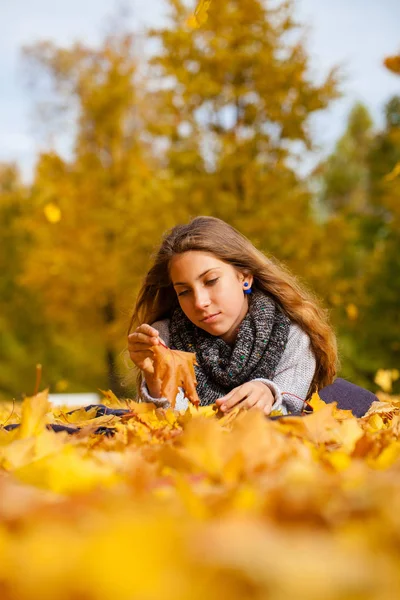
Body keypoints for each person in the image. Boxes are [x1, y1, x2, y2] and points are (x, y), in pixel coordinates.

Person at [127, 216, 375, 417]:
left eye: (211, 281)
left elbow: (291, 414)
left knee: (346, 395)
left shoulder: (293, 334)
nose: (200, 302)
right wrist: (155, 378)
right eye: (184, 291)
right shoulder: (163, 339)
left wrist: (268, 392)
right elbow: (168, 425)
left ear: (244, 277)